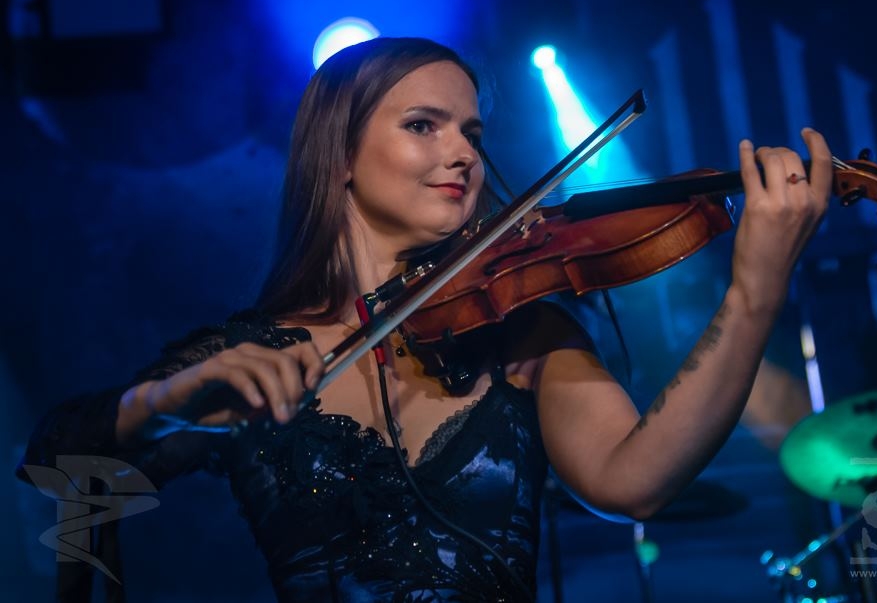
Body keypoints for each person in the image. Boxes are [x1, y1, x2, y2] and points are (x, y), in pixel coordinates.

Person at [16, 36, 833, 602]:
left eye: (472, 131)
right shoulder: (247, 363)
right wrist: (165, 402)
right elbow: (56, 460)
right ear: (339, 154)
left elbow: (636, 482)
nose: (465, 152)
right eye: (423, 126)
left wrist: (754, 291)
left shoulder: (523, 333)